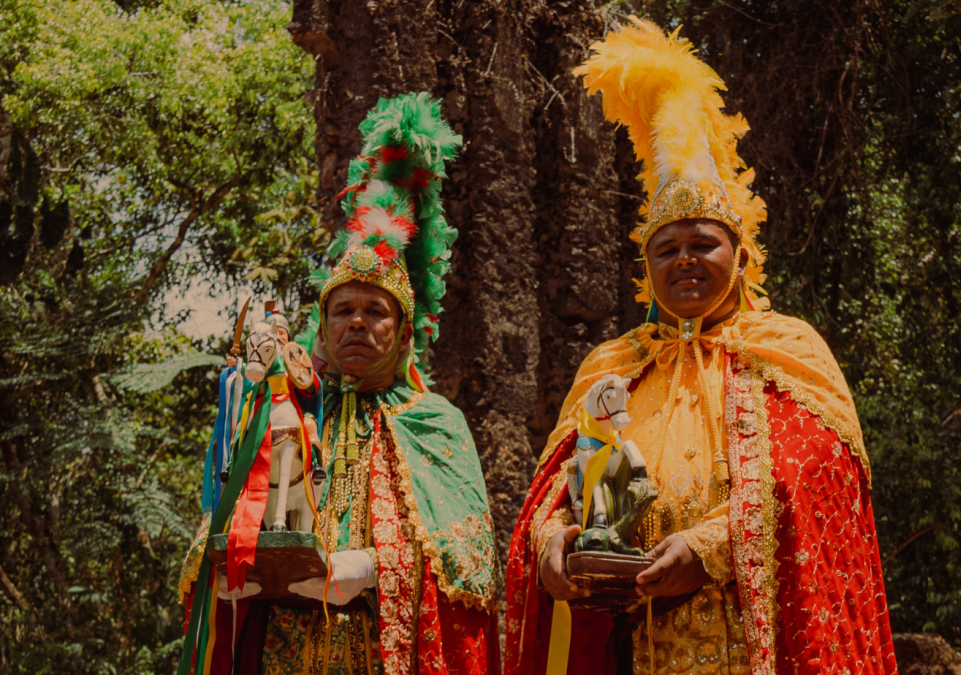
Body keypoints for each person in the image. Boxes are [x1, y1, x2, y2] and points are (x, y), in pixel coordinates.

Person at [504, 18, 897, 675]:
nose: (685, 259)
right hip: (628, 646)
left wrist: (709, 548)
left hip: (749, 644)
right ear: (647, 267)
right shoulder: (612, 365)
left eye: (703, 243)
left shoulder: (787, 349)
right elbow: (552, 495)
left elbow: (816, 486)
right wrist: (554, 546)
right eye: (668, 248)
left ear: (742, 259)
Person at [178, 92, 500, 675]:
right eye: (342, 310)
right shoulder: (285, 406)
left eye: (375, 312)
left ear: (405, 336)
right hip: (280, 652)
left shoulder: (435, 421)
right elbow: (225, 507)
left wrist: (373, 569)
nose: (357, 320)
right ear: (320, 332)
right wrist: (221, 564)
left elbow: (472, 563)